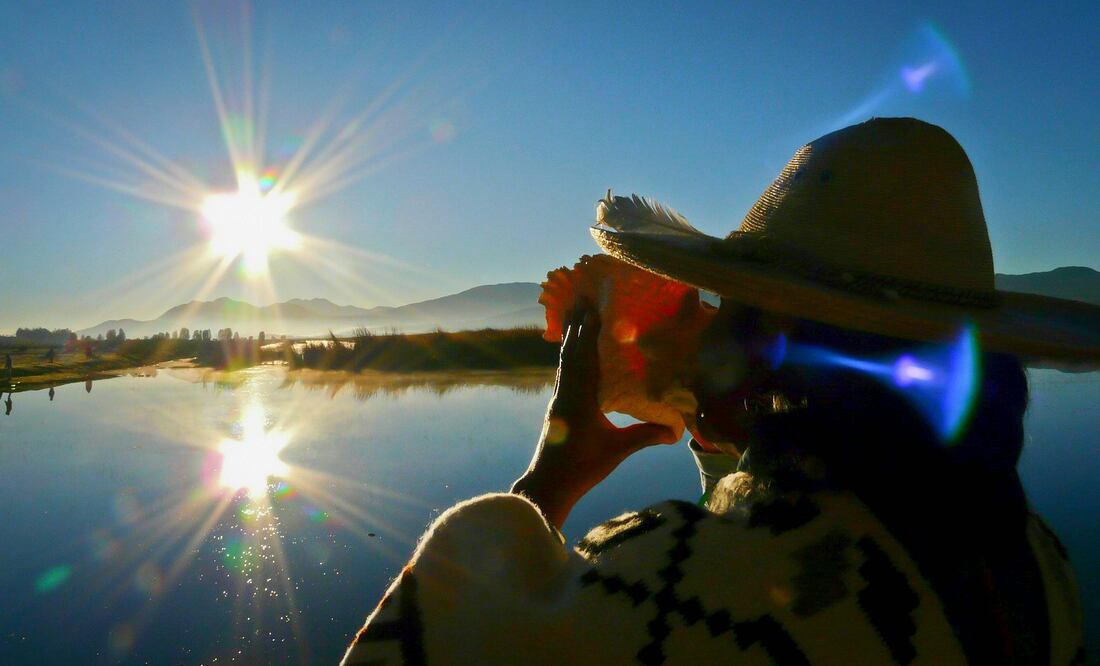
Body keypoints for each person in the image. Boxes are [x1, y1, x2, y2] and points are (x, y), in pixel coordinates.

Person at [341, 119, 1096, 664]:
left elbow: (423, 646)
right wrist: (722, 435)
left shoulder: (677, 586)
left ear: (762, 343)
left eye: (728, 307)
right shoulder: (1036, 557)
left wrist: (546, 485)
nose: (707, 328)